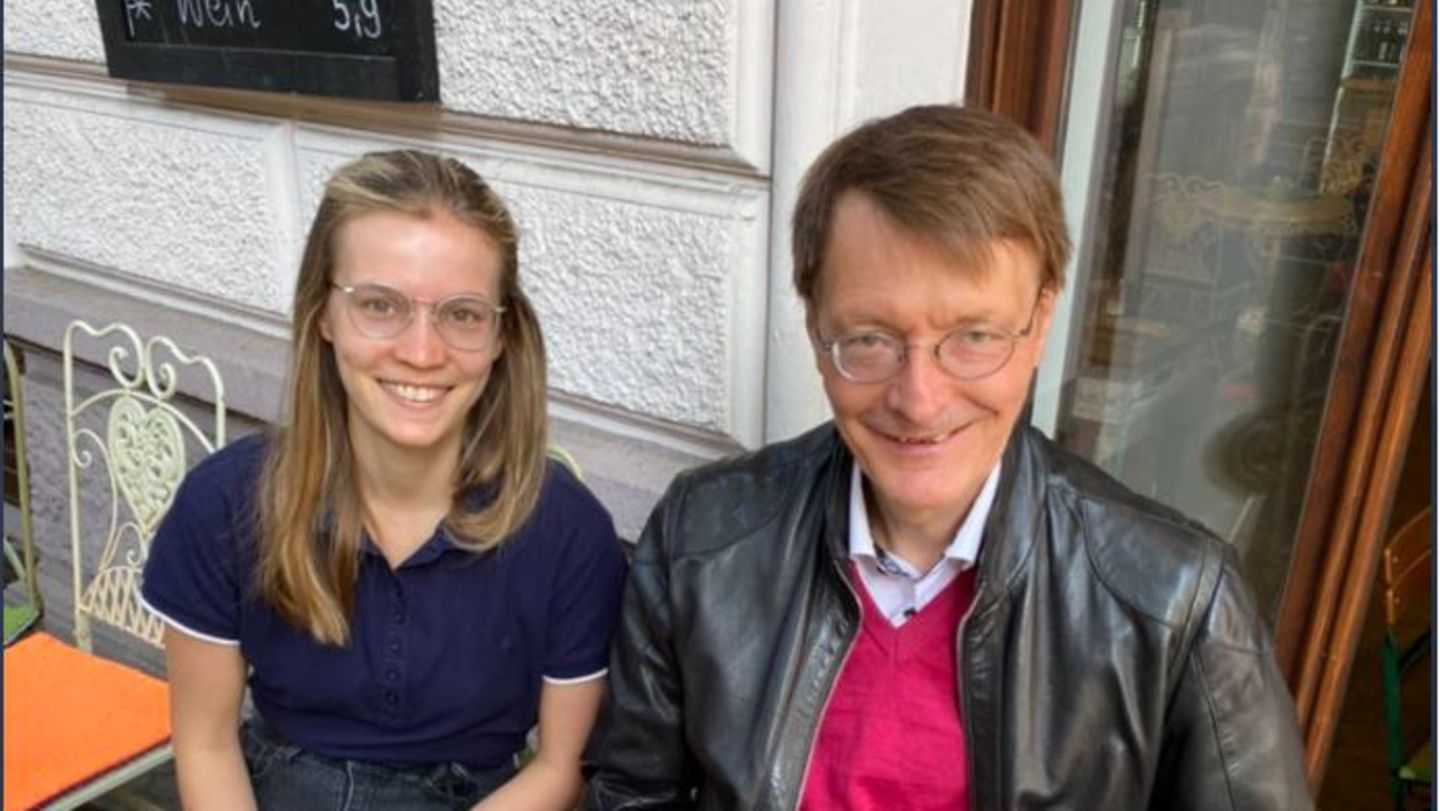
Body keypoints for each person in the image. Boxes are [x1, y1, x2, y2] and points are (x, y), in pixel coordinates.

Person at [581, 106, 1312, 810]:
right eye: (869, 338)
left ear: (1041, 321)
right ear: (815, 329)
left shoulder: (1176, 600)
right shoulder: (701, 534)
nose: (920, 400)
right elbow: (632, 791)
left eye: (975, 335)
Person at [141, 150, 628, 810]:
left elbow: (562, 764)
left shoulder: (568, 531)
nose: (422, 352)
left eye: (460, 313)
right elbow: (204, 743)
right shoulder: (226, 504)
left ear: (500, 335)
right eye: (379, 304)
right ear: (323, 313)